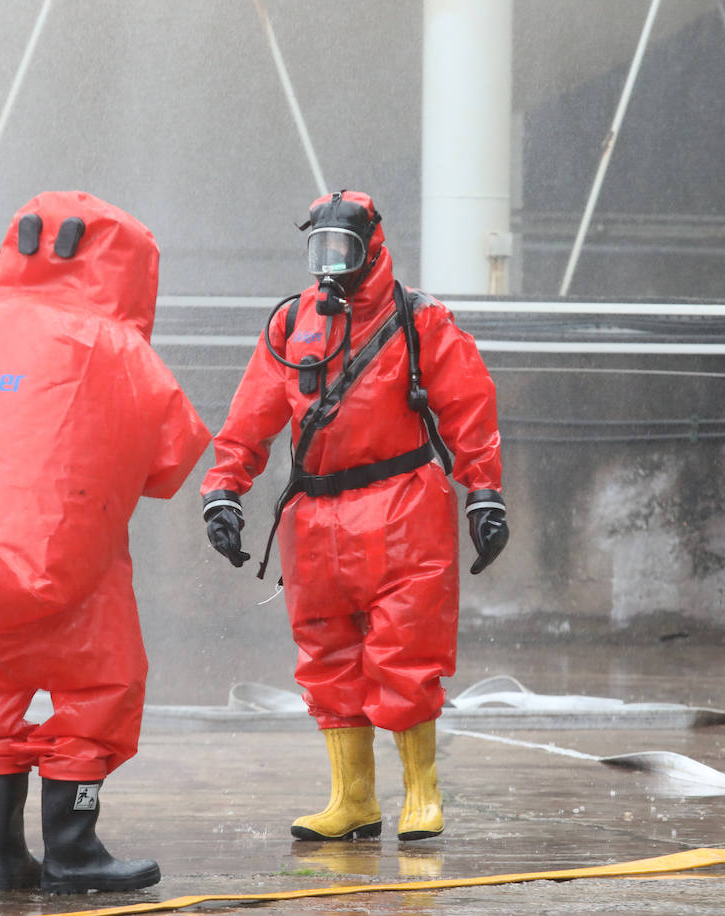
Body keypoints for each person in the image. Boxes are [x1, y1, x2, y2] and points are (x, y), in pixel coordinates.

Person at [0, 191, 209, 893]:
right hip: (71, 571)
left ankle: (6, 857)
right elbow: (172, 464)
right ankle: (73, 852)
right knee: (98, 693)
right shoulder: (114, 347)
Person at [200, 190, 508, 842]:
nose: (331, 264)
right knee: (327, 655)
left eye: (343, 250)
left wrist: (484, 492)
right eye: (322, 250)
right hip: (314, 512)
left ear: (371, 249)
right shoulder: (291, 325)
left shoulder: (419, 320)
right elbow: (251, 414)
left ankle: (421, 795)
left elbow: (469, 410)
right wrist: (223, 489)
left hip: (402, 505)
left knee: (406, 652)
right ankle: (353, 799)